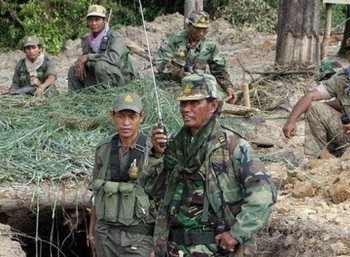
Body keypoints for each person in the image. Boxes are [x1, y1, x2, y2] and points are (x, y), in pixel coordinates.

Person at [146, 74, 276, 256]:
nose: (186, 109)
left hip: (215, 249)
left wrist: (237, 233)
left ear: (213, 106)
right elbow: (152, 189)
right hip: (176, 248)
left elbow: (264, 194)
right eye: (183, 103)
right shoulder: (176, 144)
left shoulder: (232, 145)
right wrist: (158, 154)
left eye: (194, 103)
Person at [88, 93, 157, 257]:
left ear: (141, 117)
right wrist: (92, 233)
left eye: (132, 116)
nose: (126, 123)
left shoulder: (153, 151)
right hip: (105, 236)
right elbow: (96, 195)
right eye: (121, 116)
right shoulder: (103, 149)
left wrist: (159, 244)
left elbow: (163, 200)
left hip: (139, 238)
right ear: (112, 116)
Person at [155, 11, 238, 104]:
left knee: (216, 99)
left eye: (204, 29)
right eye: (197, 29)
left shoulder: (210, 46)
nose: (201, 33)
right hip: (172, 83)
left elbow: (219, 70)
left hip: (198, 85)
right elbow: (160, 63)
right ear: (189, 25)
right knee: (185, 101)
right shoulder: (173, 41)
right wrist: (179, 73)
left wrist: (228, 87)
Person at [68, 4, 135, 91]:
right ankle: (78, 99)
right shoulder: (87, 39)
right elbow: (86, 59)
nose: (94, 23)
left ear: (105, 21)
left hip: (120, 76)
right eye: (91, 20)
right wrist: (80, 63)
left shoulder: (115, 37)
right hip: (100, 76)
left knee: (101, 66)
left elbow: (114, 59)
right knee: (74, 68)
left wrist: (89, 57)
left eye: (97, 20)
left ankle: (110, 96)